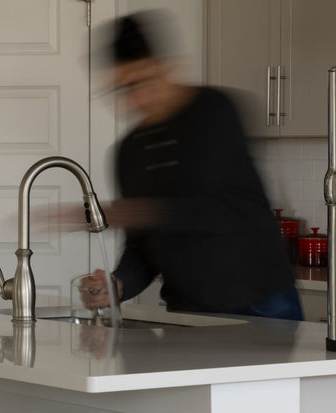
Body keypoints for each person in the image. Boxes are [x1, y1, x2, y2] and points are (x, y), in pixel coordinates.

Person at [80, 11, 302, 321]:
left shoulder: (215, 112)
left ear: (167, 67)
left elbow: (222, 212)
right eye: (124, 89)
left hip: (260, 304)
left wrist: (135, 211)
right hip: (187, 312)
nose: (138, 98)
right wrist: (117, 285)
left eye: (143, 80)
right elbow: (142, 248)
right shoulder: (129, 152)